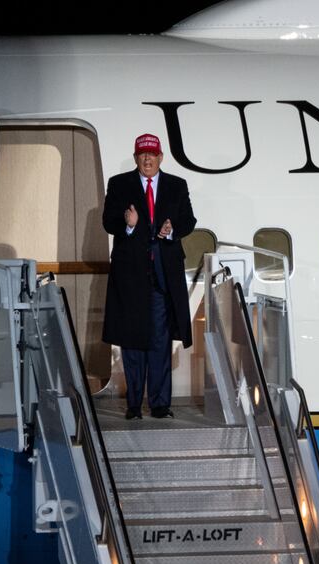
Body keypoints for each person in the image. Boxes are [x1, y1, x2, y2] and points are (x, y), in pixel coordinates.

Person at [102, 133, 197, 420]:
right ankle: (134, 405)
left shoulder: (177, 185)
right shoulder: (119, 184)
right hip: (130, 277)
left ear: (160, 158)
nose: (147, 159)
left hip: (162, 276)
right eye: (142, 154)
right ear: (135, 158)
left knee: (160, 340)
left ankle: (159, 404)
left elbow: (189, 220)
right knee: (132, 342)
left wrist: (172, 229)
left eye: (152, 154)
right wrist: (128, 224)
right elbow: (108, 221)